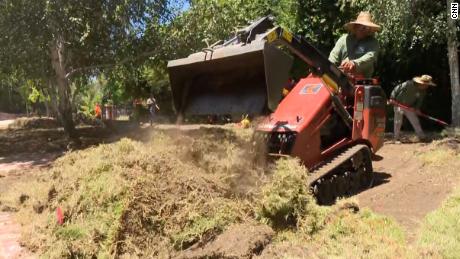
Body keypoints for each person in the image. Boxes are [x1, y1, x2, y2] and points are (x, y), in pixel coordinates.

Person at [329, 11, 381, 78]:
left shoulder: (373, 43)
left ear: (369, 30)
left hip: (361, 81)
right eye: (361, 26)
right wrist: (329, 67)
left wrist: (354, 63)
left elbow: (370, 58)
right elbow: (333, 58)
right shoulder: (344, 39)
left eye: (366, 27)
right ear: (355, 26)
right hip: (339, 78)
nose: (363, 29)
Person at [390, 75, 436, 142]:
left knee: (415, 121)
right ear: (421, 83)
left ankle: (422, 137)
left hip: (409, 107)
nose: (427, 86)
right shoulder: (408, 84)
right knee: (398, 122)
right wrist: (392, 97)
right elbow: (397, 88)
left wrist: (416, 109)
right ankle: (396, 138)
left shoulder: (422, 91)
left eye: (427, 85)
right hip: (398, 104)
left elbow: (419, 101)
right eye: (426, 84)